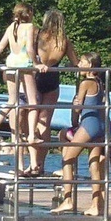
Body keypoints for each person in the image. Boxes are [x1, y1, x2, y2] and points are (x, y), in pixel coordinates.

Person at [50, 53, 106, 216]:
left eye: (82, 62)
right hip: (99, 125)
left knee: (68, 158)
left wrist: (75, 107)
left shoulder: (86, 83)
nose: (79, 64)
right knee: (94, 165)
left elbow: (77, 107)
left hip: (89, 124)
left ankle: (68, 200)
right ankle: (96, 205)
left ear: (90, 65)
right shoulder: (100, 82)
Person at [0, 3, 40, 152]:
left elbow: (0, 46)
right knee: (33, 102)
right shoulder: (29, 27)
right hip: (24, 64)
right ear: (29, 13)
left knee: (11, 100)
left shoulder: (11, 27)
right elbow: (29, 49)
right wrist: (37, 63)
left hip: (10, 63)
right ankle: (31, 135)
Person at [31, 9, 78, 176]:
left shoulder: (37, 35)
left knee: (31, 122)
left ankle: (32, 163)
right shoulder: (64, 41)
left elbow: (29, 54)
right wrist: (65, 66)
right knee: (45, 123)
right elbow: (75, 63)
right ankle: (41, 164)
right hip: (52, 79)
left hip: (36, 77)